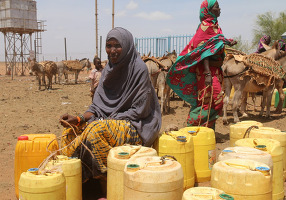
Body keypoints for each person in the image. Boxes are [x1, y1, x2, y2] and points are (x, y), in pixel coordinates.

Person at [59, 27, 161, 193]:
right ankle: (79, 184)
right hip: (107, 122)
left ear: (127, 46)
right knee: (69, 133)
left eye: (117, 46)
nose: (112, 51)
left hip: (136, 126)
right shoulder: (108, 70)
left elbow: (140, 110)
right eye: (109, 45)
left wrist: (107, 120)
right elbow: (96, 107)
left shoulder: (139, 69)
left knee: (95, 131)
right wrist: (79, 119)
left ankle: (102, 186)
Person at [166, 0, 236, 129]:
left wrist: (226, 41)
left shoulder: (215, 25)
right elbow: (202, 51)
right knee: (211, 100)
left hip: (216, 69)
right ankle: (192, 126)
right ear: (208, 10)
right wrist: (207, 72)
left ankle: (209, 132)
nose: (220, 9)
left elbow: (214, 44)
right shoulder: (205, 26)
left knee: (211, 101)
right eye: (217, 7)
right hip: (207, 71)